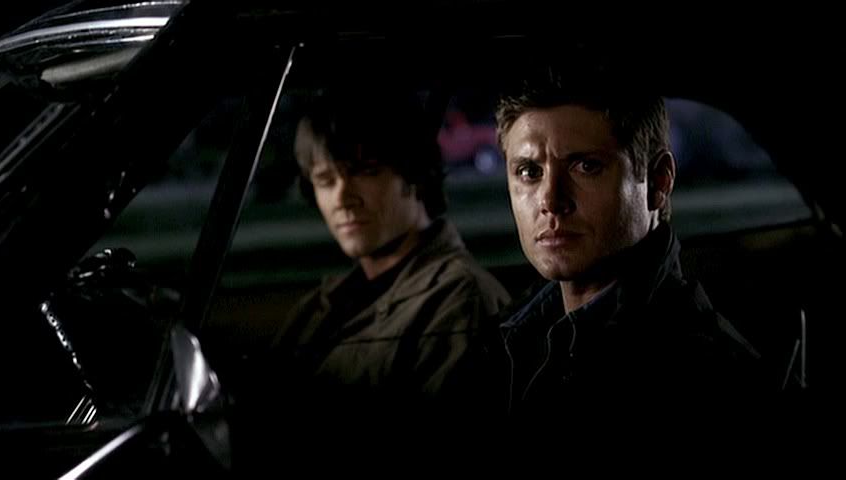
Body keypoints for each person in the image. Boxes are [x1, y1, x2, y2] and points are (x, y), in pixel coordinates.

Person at [492, 68, 763, 419]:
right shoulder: (510, 335)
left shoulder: (705, 371)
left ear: (658, 182)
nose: (551, 201)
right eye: (529, 172)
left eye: (586, 166)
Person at [266, 91, 510, 417]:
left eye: (365, 171)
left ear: (414, 174)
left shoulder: (459, 300)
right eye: (325, 180)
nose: (342, 197)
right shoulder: (321, 305)